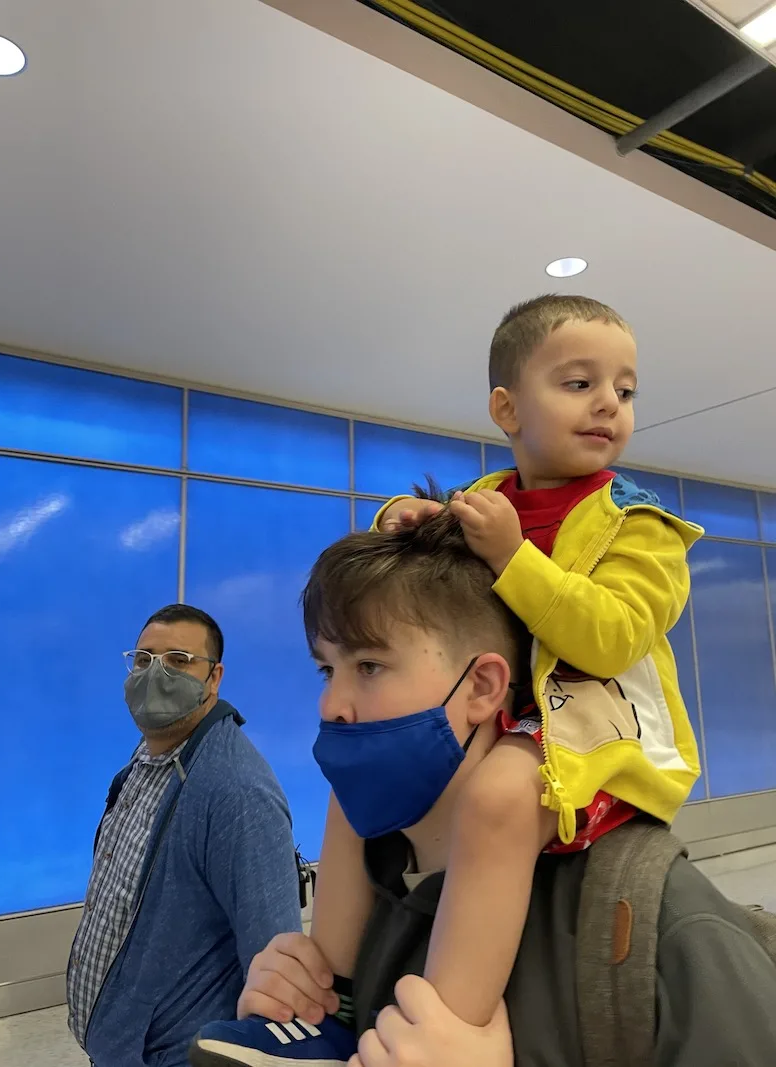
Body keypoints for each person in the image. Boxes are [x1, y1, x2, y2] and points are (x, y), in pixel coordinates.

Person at [189, 293, 704, 1064]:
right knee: (350, 784)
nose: (608, 403)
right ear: (506, 407)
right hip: (509, 715)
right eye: (578, 383)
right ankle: (327, 999)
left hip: (596, 723)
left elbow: (616, 635)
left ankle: (450, 1025)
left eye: (624, 390)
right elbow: (422, 583)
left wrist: (513, 560)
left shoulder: (641, 526)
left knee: (499, 795)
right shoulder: (493, 500)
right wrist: (399, 515)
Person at [190, 512, 776, 1067]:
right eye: (327, 669)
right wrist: (307, 1001)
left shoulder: (660, 929)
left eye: (369, 666)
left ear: (484, 687)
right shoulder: (370, 896)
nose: (331, 706)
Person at [67, 603, 302, 1067]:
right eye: (144, 659)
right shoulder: (147, 761)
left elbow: (273, 969)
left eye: (178, 660)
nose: (155, 674)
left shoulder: (237, 792)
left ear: (214, 678)